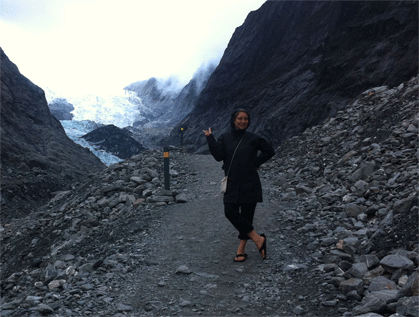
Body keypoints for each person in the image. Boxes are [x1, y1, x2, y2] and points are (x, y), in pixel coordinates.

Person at [203, 109, 275, 262]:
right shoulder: (224, 138)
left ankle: (241, 249)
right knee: (230, 212)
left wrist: (255, 163)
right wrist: (210, 139)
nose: (243, 121)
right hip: (233, 182)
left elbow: (269, 151)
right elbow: (218, 156)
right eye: (240, 119)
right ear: (234, 121)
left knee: (247, 217)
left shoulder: (254, 138)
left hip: (250, 182)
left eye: (246, 119)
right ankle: (258, 239)